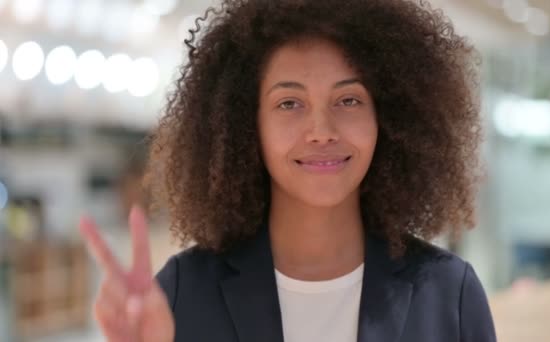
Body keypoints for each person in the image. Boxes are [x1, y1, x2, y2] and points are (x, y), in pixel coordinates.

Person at [80, 0, 496, 341]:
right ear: (246, 125)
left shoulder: (448, 294)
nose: (321, 131)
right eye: (289, 103)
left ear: (387, 118)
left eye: (348, 100)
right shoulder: (182, 292)